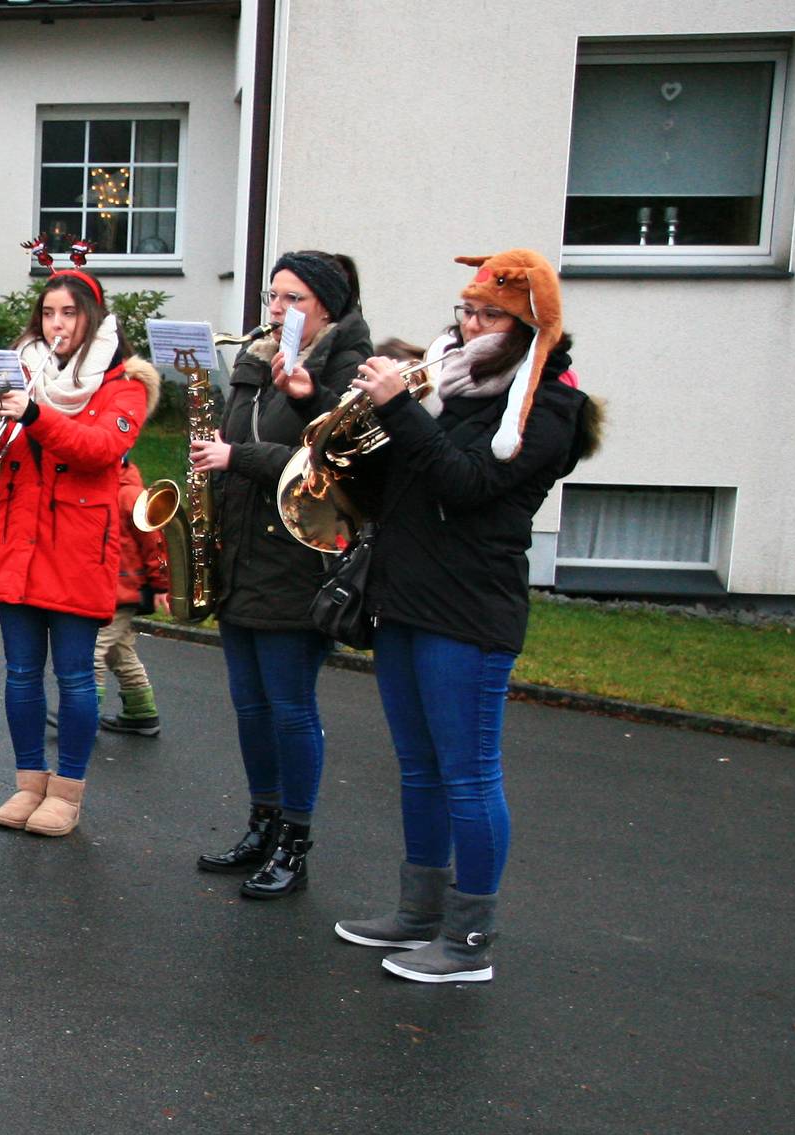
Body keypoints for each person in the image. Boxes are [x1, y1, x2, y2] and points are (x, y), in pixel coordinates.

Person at [335, 250, 596, 984]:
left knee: (469, 775)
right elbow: (399, 481)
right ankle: (419, 914)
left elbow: (467, 482)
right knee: (419, 770)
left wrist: (398, 409)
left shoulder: (547, 408)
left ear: (527, 326)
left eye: (488, 315)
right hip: (405, 598)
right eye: (466, 312)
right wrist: (336, 431)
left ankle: (469, 942)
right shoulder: (451, 384)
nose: (470, 326)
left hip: (469, 610)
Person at [187, 249, 373, 898]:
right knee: (250, 705)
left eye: (292, 299)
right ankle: (262, 822)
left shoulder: (349, 368)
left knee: (291, 709)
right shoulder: (259, 359)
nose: (276, 309)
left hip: (302, 557)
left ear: (326, 306)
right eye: (273, 296)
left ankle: (296, 841)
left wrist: (238, 455)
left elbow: (335, 463)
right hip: (243, 555)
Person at [0, 271, 156, 839]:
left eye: (69, 313)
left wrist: (34, 414)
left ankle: (68, 791)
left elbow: (100, 449)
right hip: (16, 539)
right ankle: (29, 782)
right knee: (22, 673)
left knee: (76, 676)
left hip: (77, 545)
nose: (57, 323)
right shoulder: (22, 369)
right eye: (49, 312)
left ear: (93, 319)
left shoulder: (123, 384)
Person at [95, 456, 170, 736]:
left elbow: (155, 543)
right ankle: (141, 714)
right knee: (119, 651)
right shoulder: (100, 488)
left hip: (122, 591)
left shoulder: (131, 494)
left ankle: (83, 716)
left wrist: (161, 585)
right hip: (103, 588)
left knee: (92, 653)